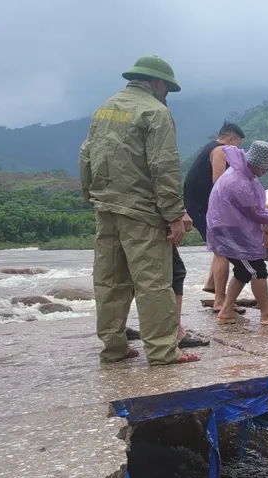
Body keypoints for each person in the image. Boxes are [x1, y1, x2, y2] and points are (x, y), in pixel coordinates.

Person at [79, 55, 200, 365]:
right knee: (153, 283)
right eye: (167, 88)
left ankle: (114, 348)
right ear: (158, 83)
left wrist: (91, 196)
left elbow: (86, 154)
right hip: (142, 213)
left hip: (106, 208)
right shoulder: (155, 112)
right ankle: (162, 351)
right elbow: (164, 166)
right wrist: (173, 214)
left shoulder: (104, 108)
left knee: (110, 281)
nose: (167, 94)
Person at [206, 141, 268, 325]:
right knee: (257, 270)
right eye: (265, 166)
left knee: (243, 271)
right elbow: (256, 214)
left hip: (230, 230)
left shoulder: (240, 175)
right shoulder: (239, 182)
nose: (267, 170)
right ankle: (266, 314)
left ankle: (226, 311)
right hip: (231, 234)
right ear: (256, 163)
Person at [182, 121, 246, 303]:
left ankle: (211, 283)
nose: (237, 150)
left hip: (198, 205)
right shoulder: (220, 150)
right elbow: (219, 182)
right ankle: (220, 300)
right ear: (230, 139)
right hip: (201, 207)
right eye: (238, 145)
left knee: (219, 246)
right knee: (222, 249)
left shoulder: (210, 147)